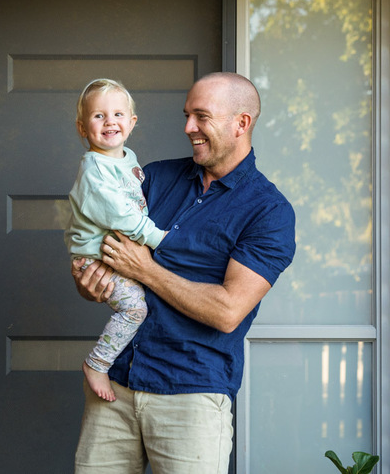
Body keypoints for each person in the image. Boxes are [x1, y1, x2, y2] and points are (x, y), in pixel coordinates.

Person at [72, 72, 296, 474]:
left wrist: (144, 268)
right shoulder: (155, 177)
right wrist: (91, 282)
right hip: (116, 387)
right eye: (187, 115)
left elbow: (228, 311)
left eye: (201, 116)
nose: (188, 127)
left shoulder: (268, 212)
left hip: (190, 394)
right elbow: (106, 250)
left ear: (240, 123)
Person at [65, 78, 168, 402]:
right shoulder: (94, 168)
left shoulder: (128, 158)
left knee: (148, 299)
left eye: (118, 114)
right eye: (99, 116)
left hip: (110, 254)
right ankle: (97, 364)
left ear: (132, 122)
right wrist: (157, 238)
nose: (110, 121)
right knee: (136, 309)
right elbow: (119, 215)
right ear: (82, 128)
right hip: (93, 260)